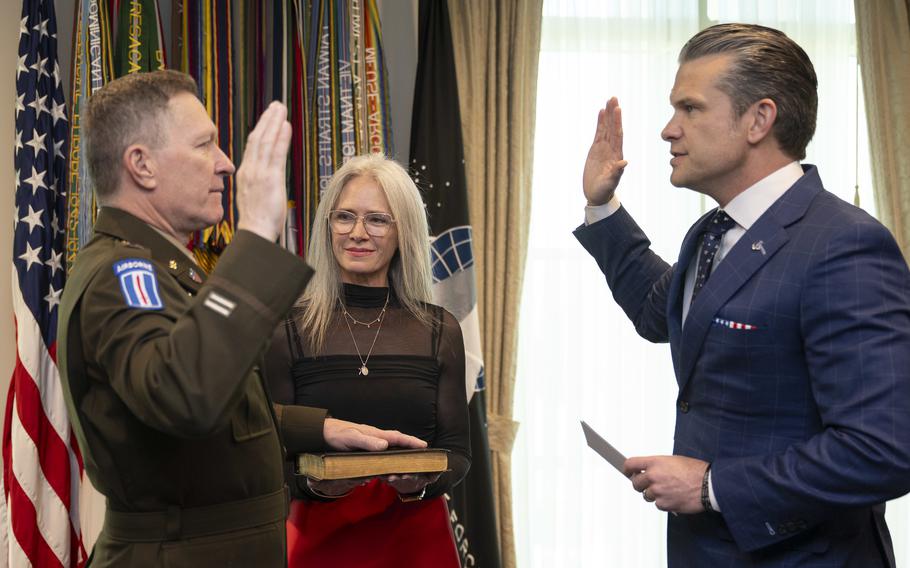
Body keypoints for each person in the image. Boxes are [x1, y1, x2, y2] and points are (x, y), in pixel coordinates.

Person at [58, 70, 425, 567]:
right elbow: (183, 394)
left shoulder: (157, 266)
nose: (226, 164)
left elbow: (205, 406)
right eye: (205, 145)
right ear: (141, 165)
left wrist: (320, 429)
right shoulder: (122, 276)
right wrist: (253, 234)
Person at [574, 23, 910, 567]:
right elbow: (659, 313)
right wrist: (602, 208)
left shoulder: (843, 244)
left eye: (690, 108)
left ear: (759, 119)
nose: (667, 130)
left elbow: (884, 451)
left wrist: (711, 485)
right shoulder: (712, 232)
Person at [266, 153, 470, 567]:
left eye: (377, 219)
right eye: (345, 217)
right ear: (328, 227)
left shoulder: (439, 330)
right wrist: (321, 487)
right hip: (319, 543)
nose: (358, 233)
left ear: (403, 232)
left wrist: (419, 484)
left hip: (417, 542)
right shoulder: (287, 327)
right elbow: (268, 453)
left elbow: (458, 454)